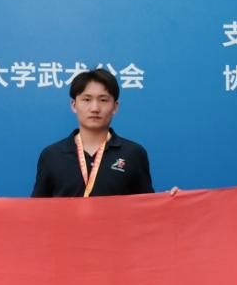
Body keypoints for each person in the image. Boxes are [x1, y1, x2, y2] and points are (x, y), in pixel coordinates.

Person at [30, 68, 153, 197]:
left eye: (103, 100)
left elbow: (147, 205)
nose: (95, 108)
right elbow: (38, 206)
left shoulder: (133, 153)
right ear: (74, 105)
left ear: (115, 107)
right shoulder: (51, 155)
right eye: (87, 99)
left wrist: (166, 200)